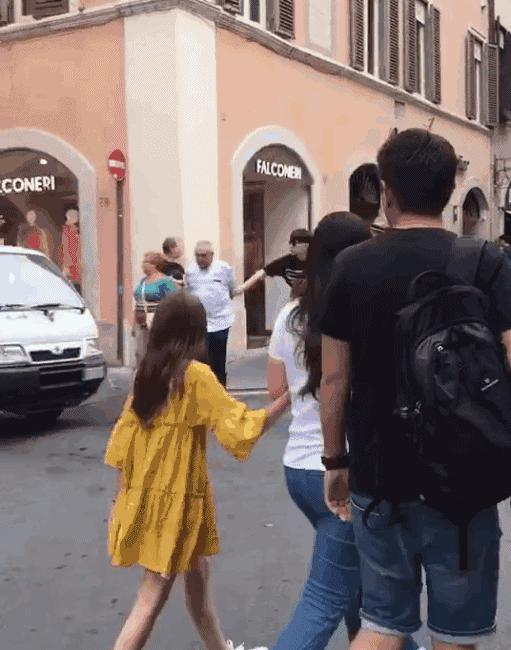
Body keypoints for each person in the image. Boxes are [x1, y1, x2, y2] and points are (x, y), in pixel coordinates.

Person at [319, 129, 511, 650]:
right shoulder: (486, 262)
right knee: (456, 633)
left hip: (380, 473)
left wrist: (335, 461)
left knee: (382, 622)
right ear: (450, 191)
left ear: (387, 191)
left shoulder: (352, 266)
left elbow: (334, 378)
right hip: (466, 475)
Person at [268, 213, 421, 650]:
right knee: (323, 601)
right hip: (344, 468)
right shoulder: (366, 309)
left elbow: (277, 389)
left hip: (299, 468)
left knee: (363, 596)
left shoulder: (289, 316)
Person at [105, 291, 289, 650]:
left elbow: (122, 444)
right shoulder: (194, 376)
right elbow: (241, 427)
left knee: (197, 579)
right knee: (152, 596)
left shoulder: (147, 374)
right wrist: (289, 397)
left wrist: (120, 500)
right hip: (176, 501)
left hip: (147, 494)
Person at [186, 240, 236, 386]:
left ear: (211, 255)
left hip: (221, 321)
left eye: (203, 255)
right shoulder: (190, 271)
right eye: (197, 255)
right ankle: (203, 390)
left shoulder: (223, 268)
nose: (200, 259)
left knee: (218, 360)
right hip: (200, 323)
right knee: (201, 360)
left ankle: (220, 390)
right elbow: (188, 292)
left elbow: (232, 289)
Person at [235, 229, 313, 300]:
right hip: (298, 300)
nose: (291, 246)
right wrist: (243, 287)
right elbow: (262, 272)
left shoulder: (317, 261)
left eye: (294, 243)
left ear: (306, 245)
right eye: (290, 243)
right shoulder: (287, 262)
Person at [133, 252, 177, 366]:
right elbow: (138, 302)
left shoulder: (165, 281)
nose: (143, 265)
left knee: (157, 352)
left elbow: (173, 302)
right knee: (141, 353)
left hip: (157, 322)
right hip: (142, 324)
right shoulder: (143, 281)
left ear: (154, 265)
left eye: (146, 262)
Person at [61, 208, 81, 292]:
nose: (77, 218)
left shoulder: (74, 230)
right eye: (75, 216)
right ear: (68, 217)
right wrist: (66, 266)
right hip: (71, 266)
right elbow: (65, 248)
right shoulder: (67, 231)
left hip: (77, 264)